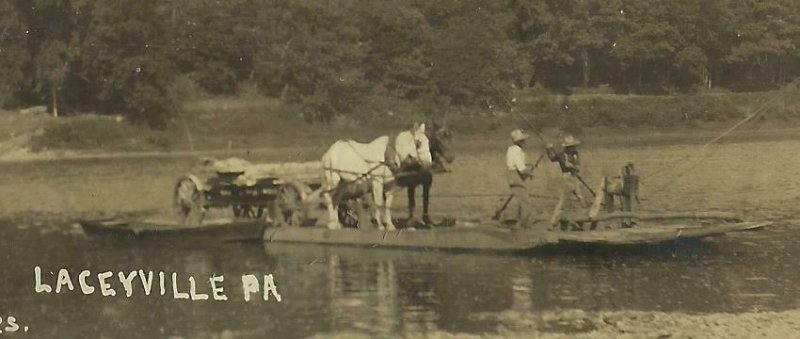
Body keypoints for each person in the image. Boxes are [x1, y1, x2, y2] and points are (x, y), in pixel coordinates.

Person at [546, 134, 586, 230]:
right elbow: (552, 158)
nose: (573, 148)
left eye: (573, 146)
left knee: (580, 200)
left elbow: (578, 167)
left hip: (574, 177)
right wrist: (549, 149)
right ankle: (553, 223)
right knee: (563, 201)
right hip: (567, 178)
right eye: (571, 147)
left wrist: (572, 166)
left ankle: (578, 222)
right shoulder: (561, 155)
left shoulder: (575, 154)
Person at [506, 129, 537, 229]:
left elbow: (516, 163)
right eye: (523, 140)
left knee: (521, 200)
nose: (525, 142)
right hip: (515, 176)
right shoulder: (517, 151)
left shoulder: (511, 149)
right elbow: (521, 169)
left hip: (512, 175)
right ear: (520, 141)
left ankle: (519, 222)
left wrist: (529, 165)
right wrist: (530, 173)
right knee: (525, 201)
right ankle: (524, 224)